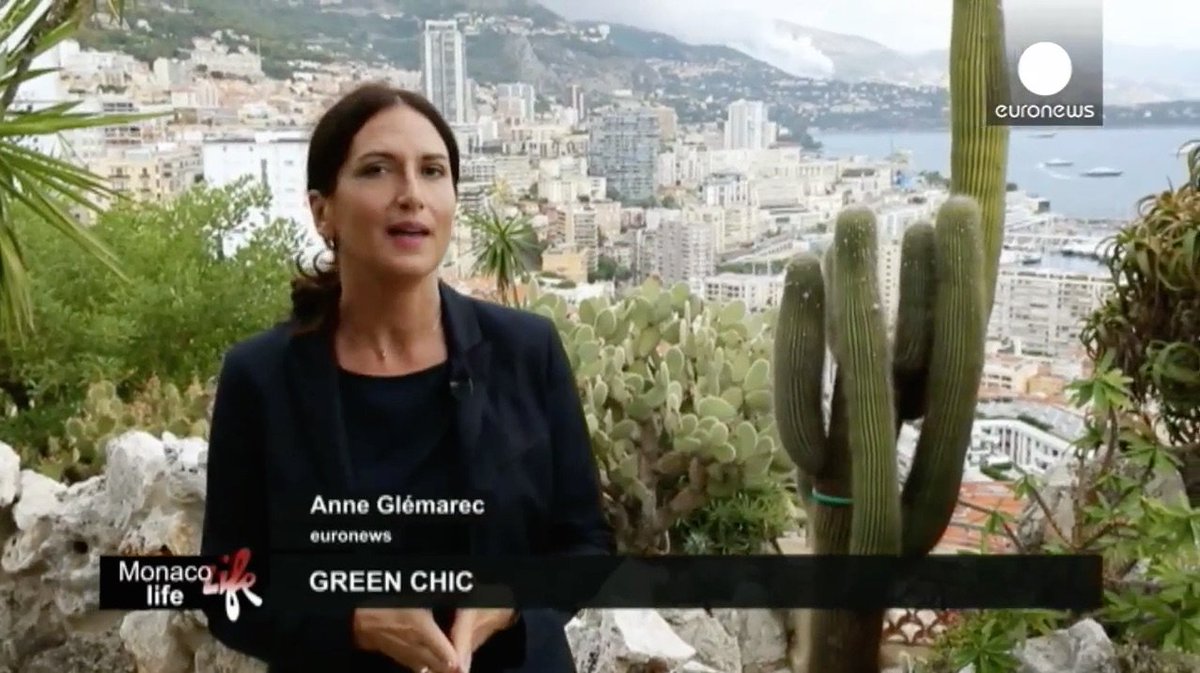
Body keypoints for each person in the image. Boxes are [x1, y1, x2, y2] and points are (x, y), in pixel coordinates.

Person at [199, 82, 614, 673]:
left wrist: (508, 604)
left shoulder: (527, 351)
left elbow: (586, 547)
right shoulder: (260, 379)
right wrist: (353, 621)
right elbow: (222, 586)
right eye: (377, 170)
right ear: (322, 210)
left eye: (432, 171)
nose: (411, 195)